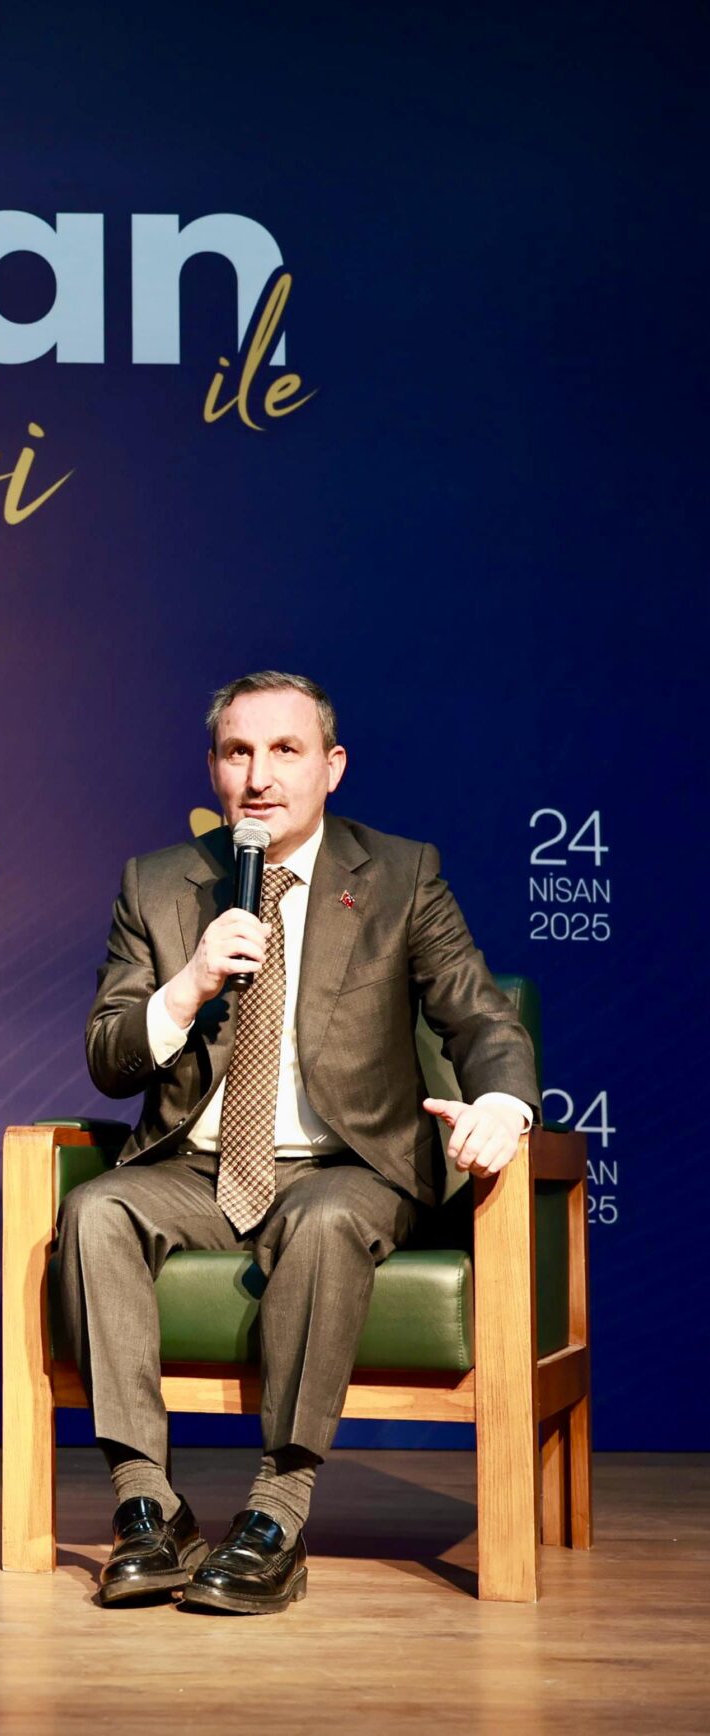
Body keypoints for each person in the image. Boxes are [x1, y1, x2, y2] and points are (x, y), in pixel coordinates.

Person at [65, 670, 536, 1614]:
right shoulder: (157, 884)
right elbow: (109, 1059)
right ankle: (148, 1508)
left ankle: (277, 1514)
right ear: (213, 768)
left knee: (322, 1221)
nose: (260, 776)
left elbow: (480, 1016)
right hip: (197, 1169)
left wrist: (502, 1104)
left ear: (333, 766)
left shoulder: (400, 873)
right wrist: (189, 986)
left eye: (285, 750)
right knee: (94, 1210)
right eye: (238, 752)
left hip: (347, 1169)